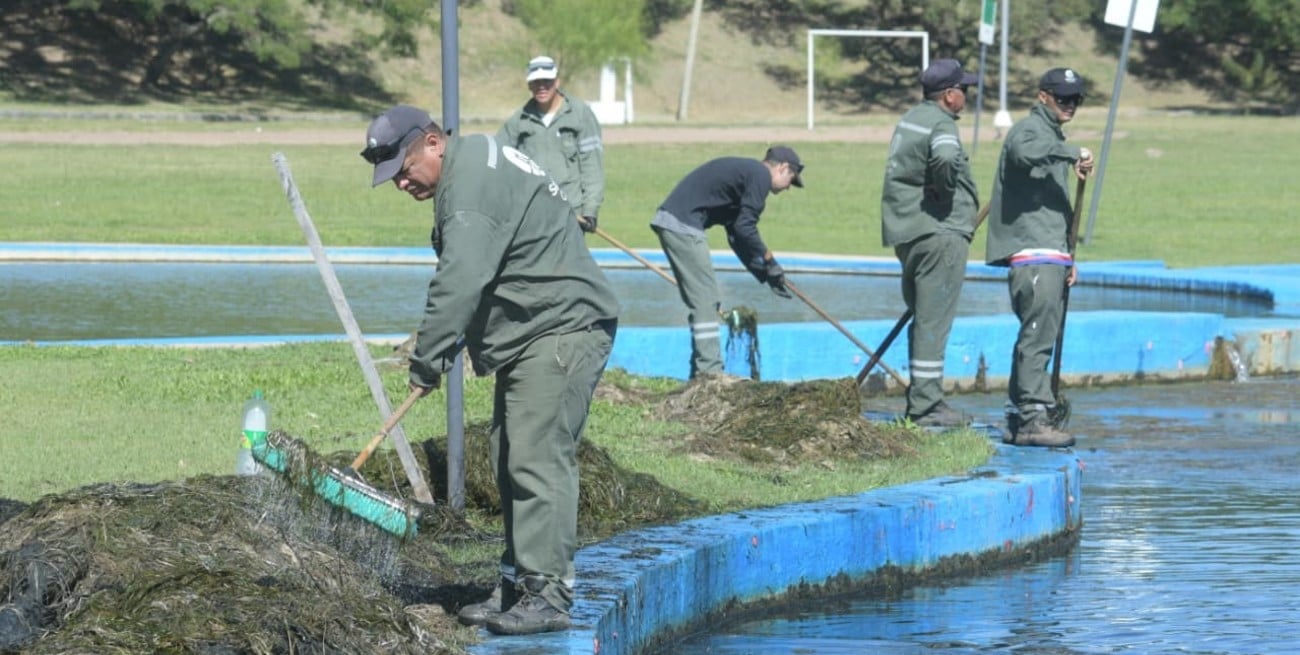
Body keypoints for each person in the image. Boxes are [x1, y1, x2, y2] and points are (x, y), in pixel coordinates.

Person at [361, 104, 620, 635]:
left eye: (404, 169)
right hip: (535, 330)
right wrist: (466, 329)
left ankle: (547, 595)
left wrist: (426, 360)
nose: (401, 184)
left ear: (433, 142)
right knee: (508, 454)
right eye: (392, 177)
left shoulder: (468, 189)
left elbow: (461, 276)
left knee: (536, 457)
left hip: (561, 328)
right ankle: (515, 583)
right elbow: (493, 266)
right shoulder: (475, 161)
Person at [985, 68, 1095, 447]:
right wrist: (1070, 152)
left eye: (1076, 99)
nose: (1071, 105)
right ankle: (1033, 418)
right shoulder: (1030, 131)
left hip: (1050, 253)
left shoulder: (1049, 135)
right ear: (1043, 96)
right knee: (1037, 336)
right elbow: (1022, 151)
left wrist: (1067, 256)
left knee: (1039, 334)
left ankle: (1019, 416)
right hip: (1033, 255)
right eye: (1063, 97)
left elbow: (1055, 206)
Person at [880, 58, 980, 428]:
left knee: (923, 319)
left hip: (907, 232)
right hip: (940, 233)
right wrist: (945, 191)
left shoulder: (911, 118)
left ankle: (921, 398)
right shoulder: (941, 125)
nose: (967, 96)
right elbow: (945, 157)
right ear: (950, 95)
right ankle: (927, 406)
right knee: (934, 322)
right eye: (964, 90)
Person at [650, 147, 804, 380]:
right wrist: (770, 260)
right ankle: (710, 374)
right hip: (682, 225)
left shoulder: (748, 176)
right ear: (782, 167)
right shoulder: (760, 175)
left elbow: (736, 235)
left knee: (702, 299)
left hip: (674, 222)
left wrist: (764, 273)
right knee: (705, 299)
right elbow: (746, 228)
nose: (789, 186)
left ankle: (700, 372)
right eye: (791, 179)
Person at [497, 55, 605, 233]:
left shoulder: (580, 115)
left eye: (547, 81)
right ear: (529, 85)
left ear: (557, 82)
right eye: (536, 81)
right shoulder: (518, 121)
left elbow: (592, 165)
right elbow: (500, 160)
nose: (542, 87)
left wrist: (590, 210)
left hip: (570, 212)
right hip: (532, 213)